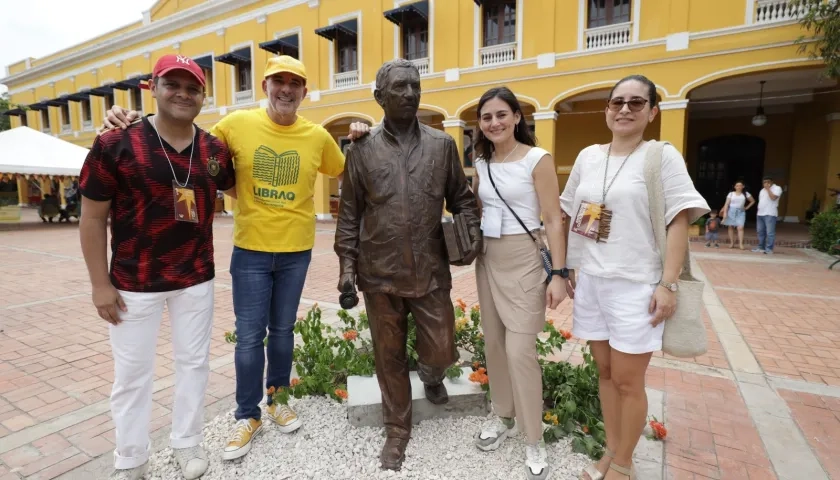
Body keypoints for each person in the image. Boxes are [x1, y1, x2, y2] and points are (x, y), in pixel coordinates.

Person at [103, 55, 367, 462]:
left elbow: (348, 170)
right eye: (278, 81)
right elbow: (185, 134)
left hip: (296, 251)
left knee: (282, 332)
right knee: (249, 337)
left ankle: (277, 399)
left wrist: (362, 136)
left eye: (294, 83)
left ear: (304, 92)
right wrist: (128, 118)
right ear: (264, 87)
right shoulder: (235, 126)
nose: (285, 89)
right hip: (250, 250)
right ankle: (247, 414)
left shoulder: (317, 136)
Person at [81, 54, 235, 480]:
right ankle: (131, 458)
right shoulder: (116, 142)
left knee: (194, 364)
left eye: (193, 87)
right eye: (173, 85)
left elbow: (236, 183)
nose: (183, 94)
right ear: (153, 88)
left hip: (195, 278)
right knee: (132, 375)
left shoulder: (213, 149)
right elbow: (92, 217)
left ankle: (187, 442)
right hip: (133, 282)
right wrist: (99, 285)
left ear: (204, 96)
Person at [334, 58, 481, 471]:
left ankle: (432, 376)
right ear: (380, 97)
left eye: (414, 86)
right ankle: (397, 430)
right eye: (399, 87)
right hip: (378, 272)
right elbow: (348, 217)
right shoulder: (361, 151)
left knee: (442, 349)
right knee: (389, 356)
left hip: (430, 269)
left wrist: (470, 233)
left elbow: (463, 200)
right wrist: (347, 270)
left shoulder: (442, 145)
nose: (410, 94)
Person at [560, 75, 709, 480]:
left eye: (636, 103)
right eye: (617, 102)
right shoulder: (589, 156)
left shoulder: (660, 156)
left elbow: (678, 221)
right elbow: (568, 213)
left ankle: (624, 465)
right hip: (591, 282)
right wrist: (563, 268)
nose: (624, 109)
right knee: (605, 374)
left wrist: (668, 283)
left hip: (637, 285)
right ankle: (612, 451)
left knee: (628, 380)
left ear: (653, 112)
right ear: (607, 109)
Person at [470, 86, 568, 480]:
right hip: (487, 257)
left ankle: (533, 437)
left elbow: (554, 218)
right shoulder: (480, 162)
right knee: (493, 342)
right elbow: (477, 207)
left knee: (519, 350)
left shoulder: (537, 159)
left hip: (526, 257)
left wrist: (558, 274)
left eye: (501, 115)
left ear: (516, 117)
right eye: (487, 117)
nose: (494, 123)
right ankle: (503, 415)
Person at [753, 176, 783, 254]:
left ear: (772, 182)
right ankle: (761, 247)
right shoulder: (762, 190)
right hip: (760, 214)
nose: (766, 183)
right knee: (760, 231)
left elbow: (773, 198)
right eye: (764, 182)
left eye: (768, 182)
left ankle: (769, 249)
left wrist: (768, 189)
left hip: (770, 213)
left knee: (770, 232)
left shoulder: (777, 188)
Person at [720, 181, 754, 249]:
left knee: (740, 227)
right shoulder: (731, 194)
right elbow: (726, 204)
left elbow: (752, 201)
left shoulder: (746, 193)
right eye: (737, 185)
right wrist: (725, 213)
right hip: (731, 211)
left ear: (743, 186)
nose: (739, 187)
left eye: (740, 185)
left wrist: (746, 208)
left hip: (741, 212)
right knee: (731, 227)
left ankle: (741, 244)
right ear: (735, 187)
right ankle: (731, 243)